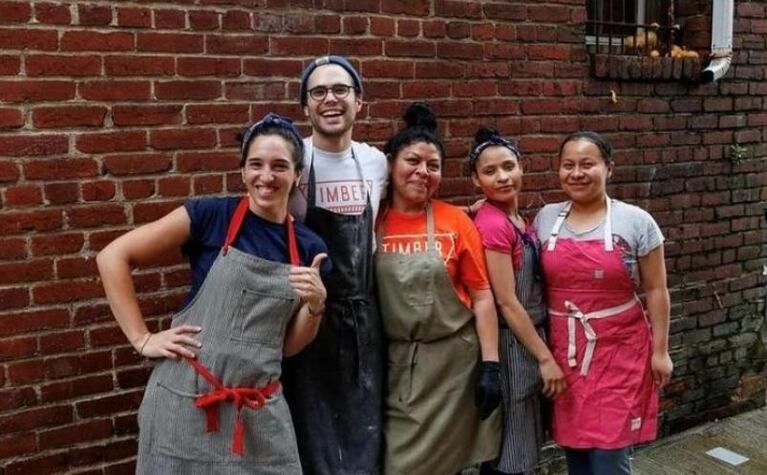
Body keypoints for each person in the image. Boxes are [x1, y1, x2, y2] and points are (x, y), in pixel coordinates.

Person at [96, 113, 329, 474]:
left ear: (297, 175)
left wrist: (315, 305)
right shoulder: (209, 216)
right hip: (182, 406)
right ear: (242, 171)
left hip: (258, 413)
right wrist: (142, 339)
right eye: (256, 165)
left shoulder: (308, 246)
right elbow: (113, 257)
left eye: (279, 166)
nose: (266, 177)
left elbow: (286, 347)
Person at [534, 131, 672, 475]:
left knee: (609, 456)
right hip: (565, 352)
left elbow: (656, 289)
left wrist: (661, 350)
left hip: (619, 352)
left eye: (587, 164)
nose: (577, 173)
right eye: (568, 165)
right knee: (576, 451)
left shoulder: (636, 222)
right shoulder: (545, 219)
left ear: (608, 168)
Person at [375, 102, 502, 475]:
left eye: (433, 166)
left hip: (454, 369)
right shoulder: (371, 220)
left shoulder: (456, 221)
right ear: (391, 164)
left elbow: (482, 296)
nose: (422, 172)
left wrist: (491, 367)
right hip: (396, 366)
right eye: (413, 161)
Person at [282, 55, 388, 475]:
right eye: (319, 92)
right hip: (308, 321)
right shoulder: (290, 159)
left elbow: (415, 203)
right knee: (314, 439)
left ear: (359, 101)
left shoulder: (376, 163)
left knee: (364, 434)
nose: (331, 99)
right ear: (305, 106)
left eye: (341, 89)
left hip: (365, 321)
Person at [469, 126, 567, 475]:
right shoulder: (494, 224)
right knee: (508, 453)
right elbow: (507, 302)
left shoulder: (516, 219)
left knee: (519, 444)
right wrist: (545, 359)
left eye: (508, 167)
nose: (502, 177)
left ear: (521, 167)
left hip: (527, 339)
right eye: (490, 171)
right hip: (513, 344)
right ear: (476, 180)